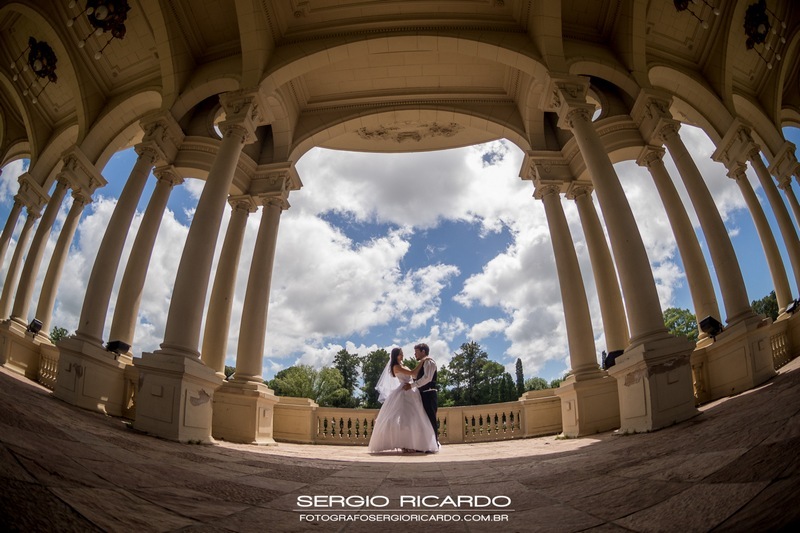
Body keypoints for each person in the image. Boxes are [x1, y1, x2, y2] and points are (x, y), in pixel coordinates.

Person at [368, 347, 439, 453]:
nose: (402, 355)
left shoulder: (402, 365)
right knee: (403, 418)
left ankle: (415, 443)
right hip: (404, 391)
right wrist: (422, 361)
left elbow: (414, 375)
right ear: (395, 356)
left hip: (412, 391)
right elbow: (413, 372)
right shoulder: (396, 367)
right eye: (400, 354)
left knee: (414, 418)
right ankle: (404, 443)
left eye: (402, 354)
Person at [404, 342, 439, 446]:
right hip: (422, 395)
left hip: (429, 394)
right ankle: (426, 444)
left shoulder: (429, 362)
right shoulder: (423, 363)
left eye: (416, 352)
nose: (415, 354)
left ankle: (434, 444)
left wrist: (412, 385)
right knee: (424, 421)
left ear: (423, 351)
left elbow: (427, 378)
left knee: (431, 419)